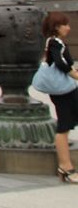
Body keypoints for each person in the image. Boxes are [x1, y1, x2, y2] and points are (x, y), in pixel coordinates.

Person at [42, 12, 78, 183]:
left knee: (66, 124)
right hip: (63, 91)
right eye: (65, 24)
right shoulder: (55, 42)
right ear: (57, 27)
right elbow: (61, 63)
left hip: (65, 90)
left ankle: (66, 167)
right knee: (63, 126)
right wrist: (75, 74)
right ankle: (65, 167)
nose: (68, 28)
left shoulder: (55, 42)